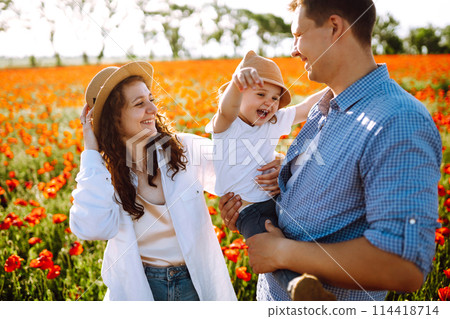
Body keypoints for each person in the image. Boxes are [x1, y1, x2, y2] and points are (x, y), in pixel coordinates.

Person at [219, 0, 442, 301]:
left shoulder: (397, 120)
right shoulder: (326, 108)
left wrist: (284, 252)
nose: (293, 50)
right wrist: (261, 198)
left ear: (334, 28)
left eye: (298, 35)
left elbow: (404, 265)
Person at [69, 61, 237, 301]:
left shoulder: (184, 149)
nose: (153, 109)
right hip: (140, 290)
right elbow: (92, 227)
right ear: (115, 120)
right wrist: (91, 152)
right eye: (139, 104)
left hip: (196, 285)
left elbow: (235, 170)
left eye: (151, 99)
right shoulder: (103, 173)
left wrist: (278, 165)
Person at [205, 50, 330, 298]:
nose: (270, 103)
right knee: (271, 248)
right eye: (261, 94)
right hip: (247, 210)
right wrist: (236, 83)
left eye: (275, 98)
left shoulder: (272, 121)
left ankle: (321, 278)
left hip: (276, 199)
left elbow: (306, 108)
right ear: (238, 94)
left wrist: (338, 88)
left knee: (299, 237)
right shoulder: (226, 126)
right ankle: (299, 288)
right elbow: (226, 108)